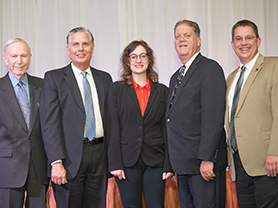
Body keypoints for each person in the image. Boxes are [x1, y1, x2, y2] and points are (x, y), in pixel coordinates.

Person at [39, 27, 112, 208]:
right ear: (68, 48)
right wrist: (56, 161)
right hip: (68, 161)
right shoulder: (53, 78)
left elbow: (111, 121)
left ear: (93, 48)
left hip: (100, 157)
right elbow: (49, 124)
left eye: (85, 44)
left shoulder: (105, 79)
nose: (81, 49)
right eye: (76, 44)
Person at [166, 19, 227, 208]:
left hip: (203, 166)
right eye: (177, 36)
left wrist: (208, 158)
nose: (181, 39)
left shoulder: (210, 69)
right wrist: (175, 165)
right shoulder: (176, 76)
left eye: (187, 35)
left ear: (198, 41)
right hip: (183, 166)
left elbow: (214, 119)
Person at [108, 40, 173, 208]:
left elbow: (166, 130)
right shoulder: (116, 90)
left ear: (149, 60)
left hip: (156, 161)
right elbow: (113, 128)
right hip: (127, 161)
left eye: (143, 56)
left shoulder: (163, 91)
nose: (139, 60)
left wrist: (169, 164)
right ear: (128, 62)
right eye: (134, 56)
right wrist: (115, 163)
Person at [226, 19, 278, 208]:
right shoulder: (231, 78)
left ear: (258, 40)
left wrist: (275, 152)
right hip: (240, 165)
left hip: (267, 162)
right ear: (233, 44)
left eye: (249, 37)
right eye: (238, 39)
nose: (244, 43)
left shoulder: (274, 66)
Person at [0, 38, 49, 207]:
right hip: (7, 169)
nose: (19, 61)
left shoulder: (43, 86)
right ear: (6, 59)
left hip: (38, 166)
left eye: (23, 56)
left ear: (30, 58)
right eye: (14, 56)